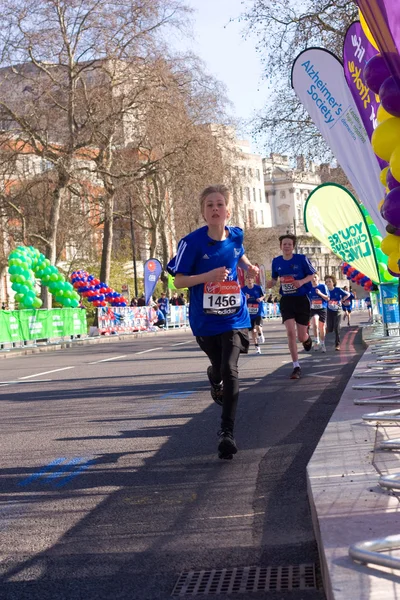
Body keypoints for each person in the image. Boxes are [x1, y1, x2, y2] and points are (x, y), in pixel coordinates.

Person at [167, 184, 258, 460]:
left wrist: (248, 267)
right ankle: (213, 376)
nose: (215, 209)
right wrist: (208, 276)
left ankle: (226, 432)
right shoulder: (191, 243)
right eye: (210, 205)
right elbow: (179, 280)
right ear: (203, 213)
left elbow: (238, 254)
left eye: (220, 204)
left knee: (230, 370)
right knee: (219, 369)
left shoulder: (237, 235)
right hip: (205, 321)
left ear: (228, 211)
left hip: (235, 316)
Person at [266, 234, 316, 380]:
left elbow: (312, 275)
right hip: (286, 300)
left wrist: (301, 282)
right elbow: (275, 278)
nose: (286, 246)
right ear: (280, 246)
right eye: (284, 244)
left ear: (292, 246)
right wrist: (271, 283)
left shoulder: (301, 259)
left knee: (301, 336)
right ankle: (296, 366)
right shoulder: (276, 261)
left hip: (301, 300)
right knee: (290, 333)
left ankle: (307, 339)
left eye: (289, 244)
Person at [325, 275, 350, 351]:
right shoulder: (325, 291)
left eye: (329, 281)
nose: (328, 283)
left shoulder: (338, 290)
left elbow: (348, 294)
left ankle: (337, 344)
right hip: (329, 310)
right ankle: (327, 329)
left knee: (336, 328)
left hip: (337, 310)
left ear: (333, 282)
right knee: (330, 328)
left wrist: (342, 300)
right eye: (326, 282)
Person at [241, 275, 265, 354]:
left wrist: (260, 299)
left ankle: (260, 334)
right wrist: (245, 298)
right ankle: (257, 347)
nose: (249, 280)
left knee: (258, 327)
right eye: (248, 278)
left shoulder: (258, 288)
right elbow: (240, 300)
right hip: (249, 314)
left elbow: (264, 296)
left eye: (251, 278)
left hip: (258, 311)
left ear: (253, 279)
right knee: (253, 332)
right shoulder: (243, 289)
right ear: (246, 280)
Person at [308, 273, 329, 352]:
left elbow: (327, 298)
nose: (313, 279)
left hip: (322, 308)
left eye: (315, 277)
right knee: (315, 323)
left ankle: (323, 343)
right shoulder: (309, 288)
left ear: (318, 278)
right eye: (312, 278)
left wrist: (320, 293)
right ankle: (317, 341)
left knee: (322, 327)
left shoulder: (323, 286)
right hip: (313, 309)